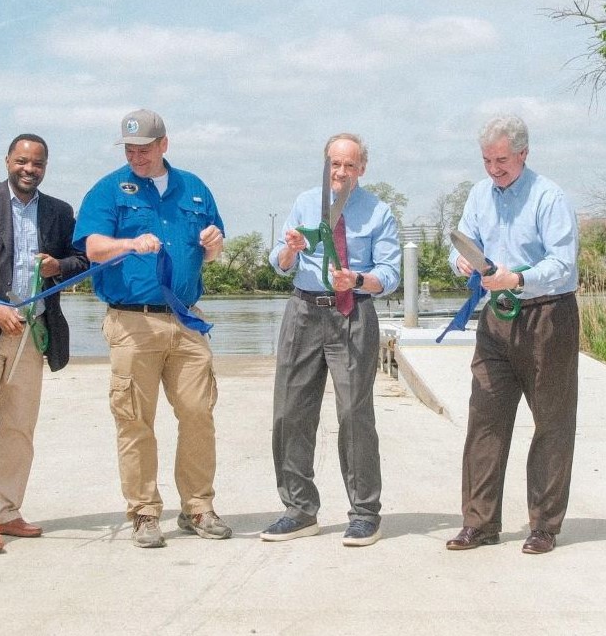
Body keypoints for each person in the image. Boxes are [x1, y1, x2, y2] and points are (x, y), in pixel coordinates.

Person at [74, 109, 231, 548]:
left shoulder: (194, 189)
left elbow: (211, 251)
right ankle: (144, 512)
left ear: (164, 144)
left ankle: (198, 507)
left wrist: (215, 246)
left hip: (185, 320)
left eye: (144, 148)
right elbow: (92, 247)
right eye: (129, 149)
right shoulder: (108, 191)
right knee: (135, 420)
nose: (136, 156)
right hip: (132, 322)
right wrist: (128, 242)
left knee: (199, 413)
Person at [0, 133, 88, 554]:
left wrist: (59, 264)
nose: (29, 169)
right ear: (7, 160)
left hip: (32, 333)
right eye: (22, 161)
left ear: (45, 167)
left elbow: (81, 260)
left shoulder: (59, 212)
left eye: (38, 163)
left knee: (20, 427)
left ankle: (6, 511)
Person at [445, 114, 580, 556]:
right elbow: (461, 243)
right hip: (494, 318)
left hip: (546, 315)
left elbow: (563, 265)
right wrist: (460, 262)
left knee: (551, 423)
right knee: (484, 417)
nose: (494, 168)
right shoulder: (479, 194)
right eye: (487, 160)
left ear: (523, 153)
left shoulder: (549, 197)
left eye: (502, 159)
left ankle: (544, 525)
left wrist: (517, 280)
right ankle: (479, 522)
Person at [263, 133, 402, 547]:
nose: (340, 172)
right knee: (289, 411)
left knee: (354, 415)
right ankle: (299, 509)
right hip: (304, 309)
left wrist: (357, 279)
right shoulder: (306, 202)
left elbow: (390, 274)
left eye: (349, 165)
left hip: (352, 311)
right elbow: (280, 263)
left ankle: (364, 514)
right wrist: (289, 251)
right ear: (325, 164)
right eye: (334, 164)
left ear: (362, 168)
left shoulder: (378, 211)